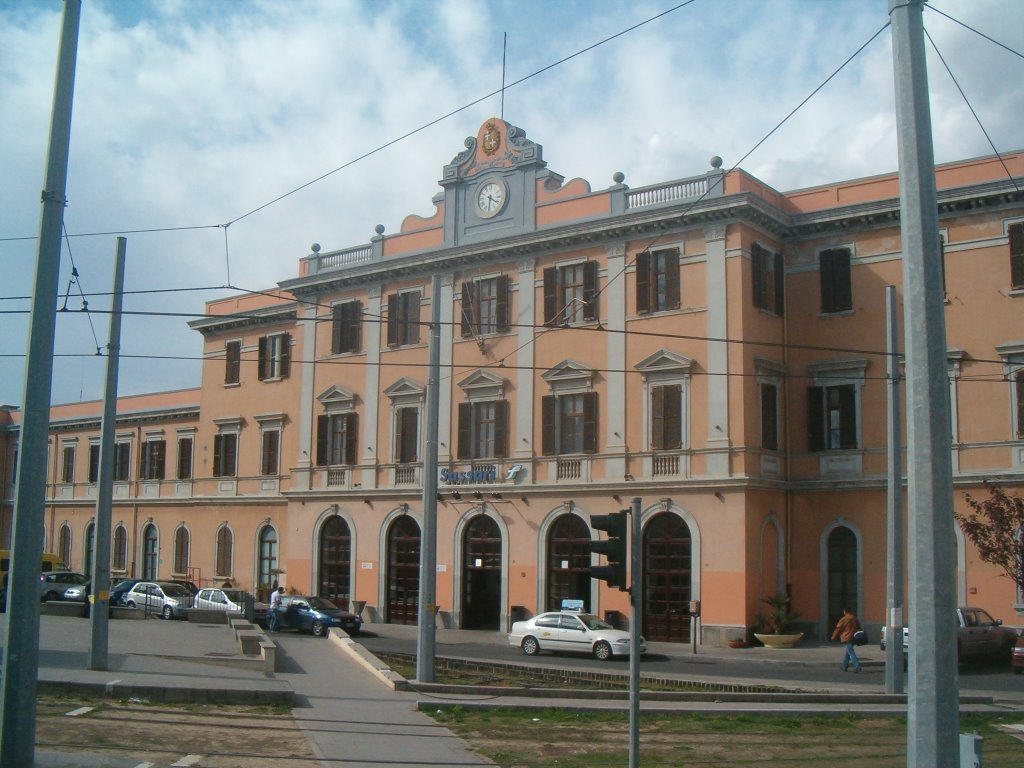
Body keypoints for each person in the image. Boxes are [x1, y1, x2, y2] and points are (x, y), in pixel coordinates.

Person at [831, 606, 862, 673]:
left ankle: (857, 666)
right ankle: (844, 666)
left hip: (847, 637)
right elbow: (859, 627)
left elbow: (838, 628)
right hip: (854, 637)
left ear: (845, 611)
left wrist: (833, 636)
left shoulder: (844, 619)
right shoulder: (854, 618)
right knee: (847, 652)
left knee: (850, 652)